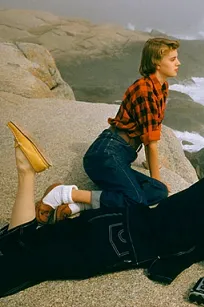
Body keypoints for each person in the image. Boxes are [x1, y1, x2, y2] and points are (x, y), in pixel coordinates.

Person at [0, 122, 204, 298]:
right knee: (18, 267)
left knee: (30, 246)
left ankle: (27, 173)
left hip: (114, 220)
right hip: (117, 246)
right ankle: (26, 171)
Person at [35, 37, 181, 224]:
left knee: (158, 192)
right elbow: (151, 144)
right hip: (106, 154)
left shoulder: (161, 87)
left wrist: (155, 179)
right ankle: (65, 194)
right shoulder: (144, 90)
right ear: (156, 63)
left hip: (119, 156)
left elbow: (148, 128)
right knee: (137, 202)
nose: (178, 63)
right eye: (172, 59)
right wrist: (156, 177)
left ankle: (79, 206)